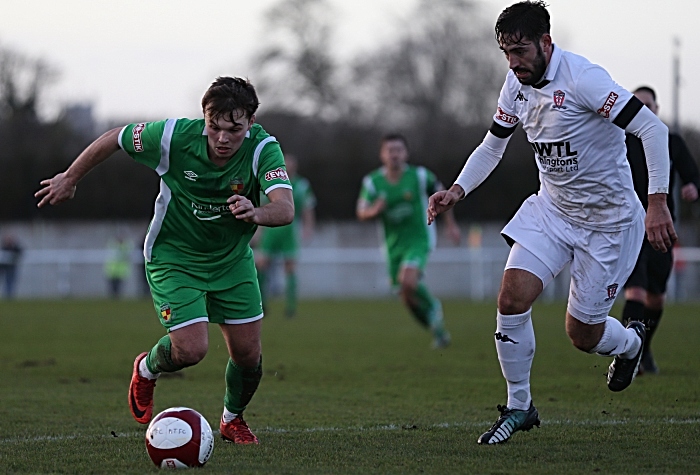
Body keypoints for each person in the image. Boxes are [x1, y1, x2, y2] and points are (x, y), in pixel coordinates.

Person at [427, 1, 676, 444]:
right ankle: (520, 406)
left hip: (609, 223)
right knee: (511, 297)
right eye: (506, 52)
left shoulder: (584, 79)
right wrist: (457, 191)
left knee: (581, 334)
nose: (513, 61)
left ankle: (631, 344)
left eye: (520, 50)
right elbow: (492, 146)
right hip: (554, 211)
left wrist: (656, 201)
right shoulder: (515, 85)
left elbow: (652, 130)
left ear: (546, 42)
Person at [35, 77, 294, 445]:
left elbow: (284, 208)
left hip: (231, 260)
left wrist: (256, 213)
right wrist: (70, 177)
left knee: (249, 356)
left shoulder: (263, 150)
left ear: (250, 123)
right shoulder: (173, 137)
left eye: (234, 130)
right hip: (174, 257)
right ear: (204, 119)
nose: (222, 138)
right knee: (192, 349)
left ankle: (232, 419)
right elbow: (115, 137)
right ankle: (146, 368)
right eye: (214, 127)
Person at [621, 86, 700, 375]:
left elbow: (693, 175)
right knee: (637, 293)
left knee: (656, 298)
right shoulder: (619, 141)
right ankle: (630, 357)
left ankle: (644, 349)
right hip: (629, 229)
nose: (643, 111)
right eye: (637, 106)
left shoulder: (671, 141)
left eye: (648, 106)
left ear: (656, 109)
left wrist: (693, 187)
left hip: (662, 230)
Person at [357, 133, 461, 349]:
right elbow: (361, 211)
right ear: (382, 154)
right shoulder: (373, 182)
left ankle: (433, 306)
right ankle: (437, 330)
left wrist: (451, 226)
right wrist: (374, 210)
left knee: (408, 281)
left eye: (398, 150)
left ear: (406, 153)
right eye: (390, 150)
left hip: (420, 239)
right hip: (393, 245)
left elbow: (445, 197)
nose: (394, 155)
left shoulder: (420, 176)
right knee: (406, 297)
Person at [255, 154, 316, 318]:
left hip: (290, 230)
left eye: (291, 163)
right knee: (262, 264)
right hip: (270, 229)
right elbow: (261, 206)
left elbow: (307, 208)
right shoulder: (269, 182)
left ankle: (290, 307)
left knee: (290, 266)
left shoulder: (302, 185)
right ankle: (262, 305)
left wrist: (308, 227)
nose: (288, 166)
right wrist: (257, 229)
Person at [0, 234, 23, 298]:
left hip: (11, 268)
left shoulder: (15, 248)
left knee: (10, 282)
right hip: (4, 268)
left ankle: (9, 296)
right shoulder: (4, 248)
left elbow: (20, 252)